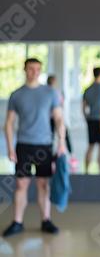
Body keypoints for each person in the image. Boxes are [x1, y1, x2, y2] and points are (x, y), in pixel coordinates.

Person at [2, 58, 66, 237]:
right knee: (21, 184)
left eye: (38, 69)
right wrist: (9, 147)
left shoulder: (50, 93)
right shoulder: (16, 95)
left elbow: (59, 119)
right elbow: (8, 123)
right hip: (23, 144)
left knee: (43, 184)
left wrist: (61, 142)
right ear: (25, 70)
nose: (35, 72)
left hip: (44, 145)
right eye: (31, 69)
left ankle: (46, 220)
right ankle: (17, 222)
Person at [82, 67, 100, 174]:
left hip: (91, 119)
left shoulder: (88, 89)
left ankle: (86, 170)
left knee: (91, 145)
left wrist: (86, 117)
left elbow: (84, 107)